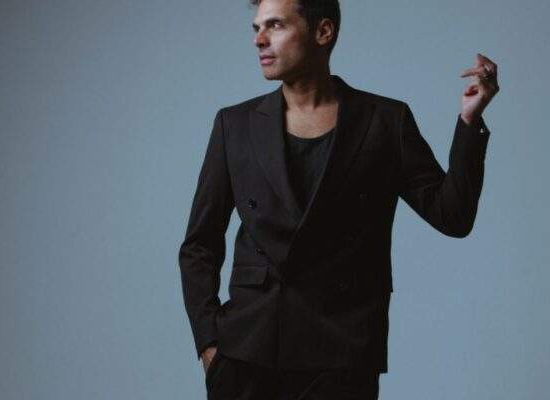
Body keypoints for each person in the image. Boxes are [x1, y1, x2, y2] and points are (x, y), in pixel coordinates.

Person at [178, 0, 500, 398]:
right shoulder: (235, 125)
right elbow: (199, 245)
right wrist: (210, 345)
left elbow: (453, 216)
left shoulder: (385, 121)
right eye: (256, 28)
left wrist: (470, 121)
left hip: (342, 356)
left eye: (275, 26)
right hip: (248, 353)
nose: (259, 40)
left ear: (323, 32)